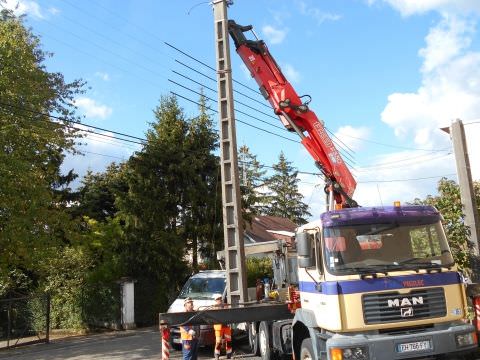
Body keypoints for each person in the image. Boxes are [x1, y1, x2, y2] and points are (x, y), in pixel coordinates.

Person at [213, 294, 232, 359]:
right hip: (218, 327)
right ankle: (217, 354)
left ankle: (229, 354)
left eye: (220, 298)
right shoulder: (213, 307)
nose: (220, 300)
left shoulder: (225, 305)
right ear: (215, 300)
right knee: (218, 342)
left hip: (226, 326)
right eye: (218, 299)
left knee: (228, 341)